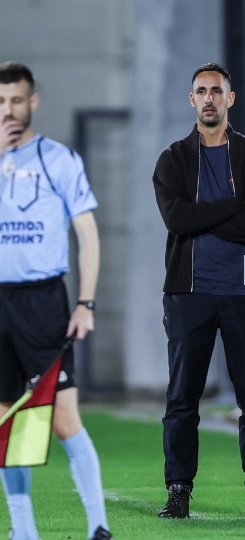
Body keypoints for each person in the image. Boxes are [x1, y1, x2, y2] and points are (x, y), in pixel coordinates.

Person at [152, 62, 245, 518]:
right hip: (189, 295)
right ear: (192, 100)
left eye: (216, 91)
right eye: (202, 91)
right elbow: (177, 219)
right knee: (182, 399)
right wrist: (231, 207)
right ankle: (178, 491)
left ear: (230, 98)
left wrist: (204, 215)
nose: (209, 98)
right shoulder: (172, 159)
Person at [0, 62, 112, 540]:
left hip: (44, 301)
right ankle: (24, 533)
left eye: (16, 100)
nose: (8, 110)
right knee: (7, 422)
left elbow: (87, 233)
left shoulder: (57, 159)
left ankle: (98, 526)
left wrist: (85, 303)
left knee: (64, 420)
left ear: (33, 102)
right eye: (0, 101)